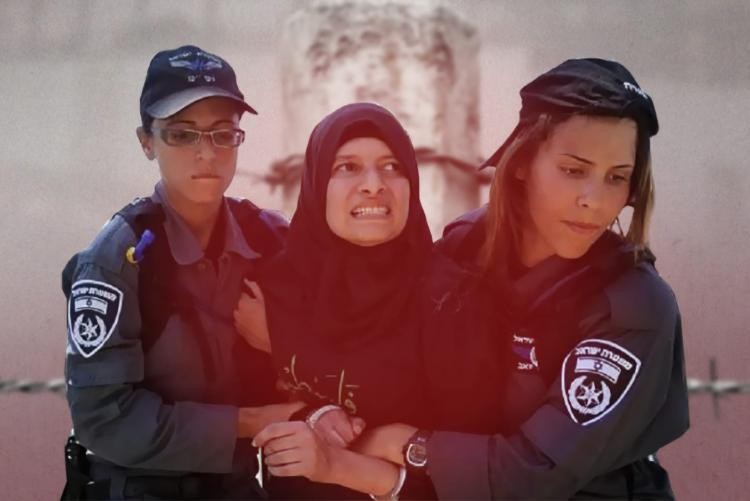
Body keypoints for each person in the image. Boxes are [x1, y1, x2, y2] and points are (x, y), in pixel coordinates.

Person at [255, 59, 690, 499]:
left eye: (617, 177)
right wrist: (285, 340)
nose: (594, 201)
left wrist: (410, 446)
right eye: (573, 170)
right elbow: (390, 352)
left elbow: (535, 473)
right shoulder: (467, 246)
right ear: (521, 162)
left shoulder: (632, 306)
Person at [61, 45, 304, 500]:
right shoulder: (118, 258)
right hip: (136, 488)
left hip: (235, 487)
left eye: (222, 134)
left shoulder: (270, 241)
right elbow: (103, 419)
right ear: (146, 141)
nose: (205, 152)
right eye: (181, 134)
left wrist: (281, 340)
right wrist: (249, 422)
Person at [235, 102, 447, 499]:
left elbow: (471, 462)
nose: (373, 184)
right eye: (347, 167)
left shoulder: (450, 296)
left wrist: (284, 346)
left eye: (392, 166)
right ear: (317, 184)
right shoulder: (272, 290)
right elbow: (244, 418)